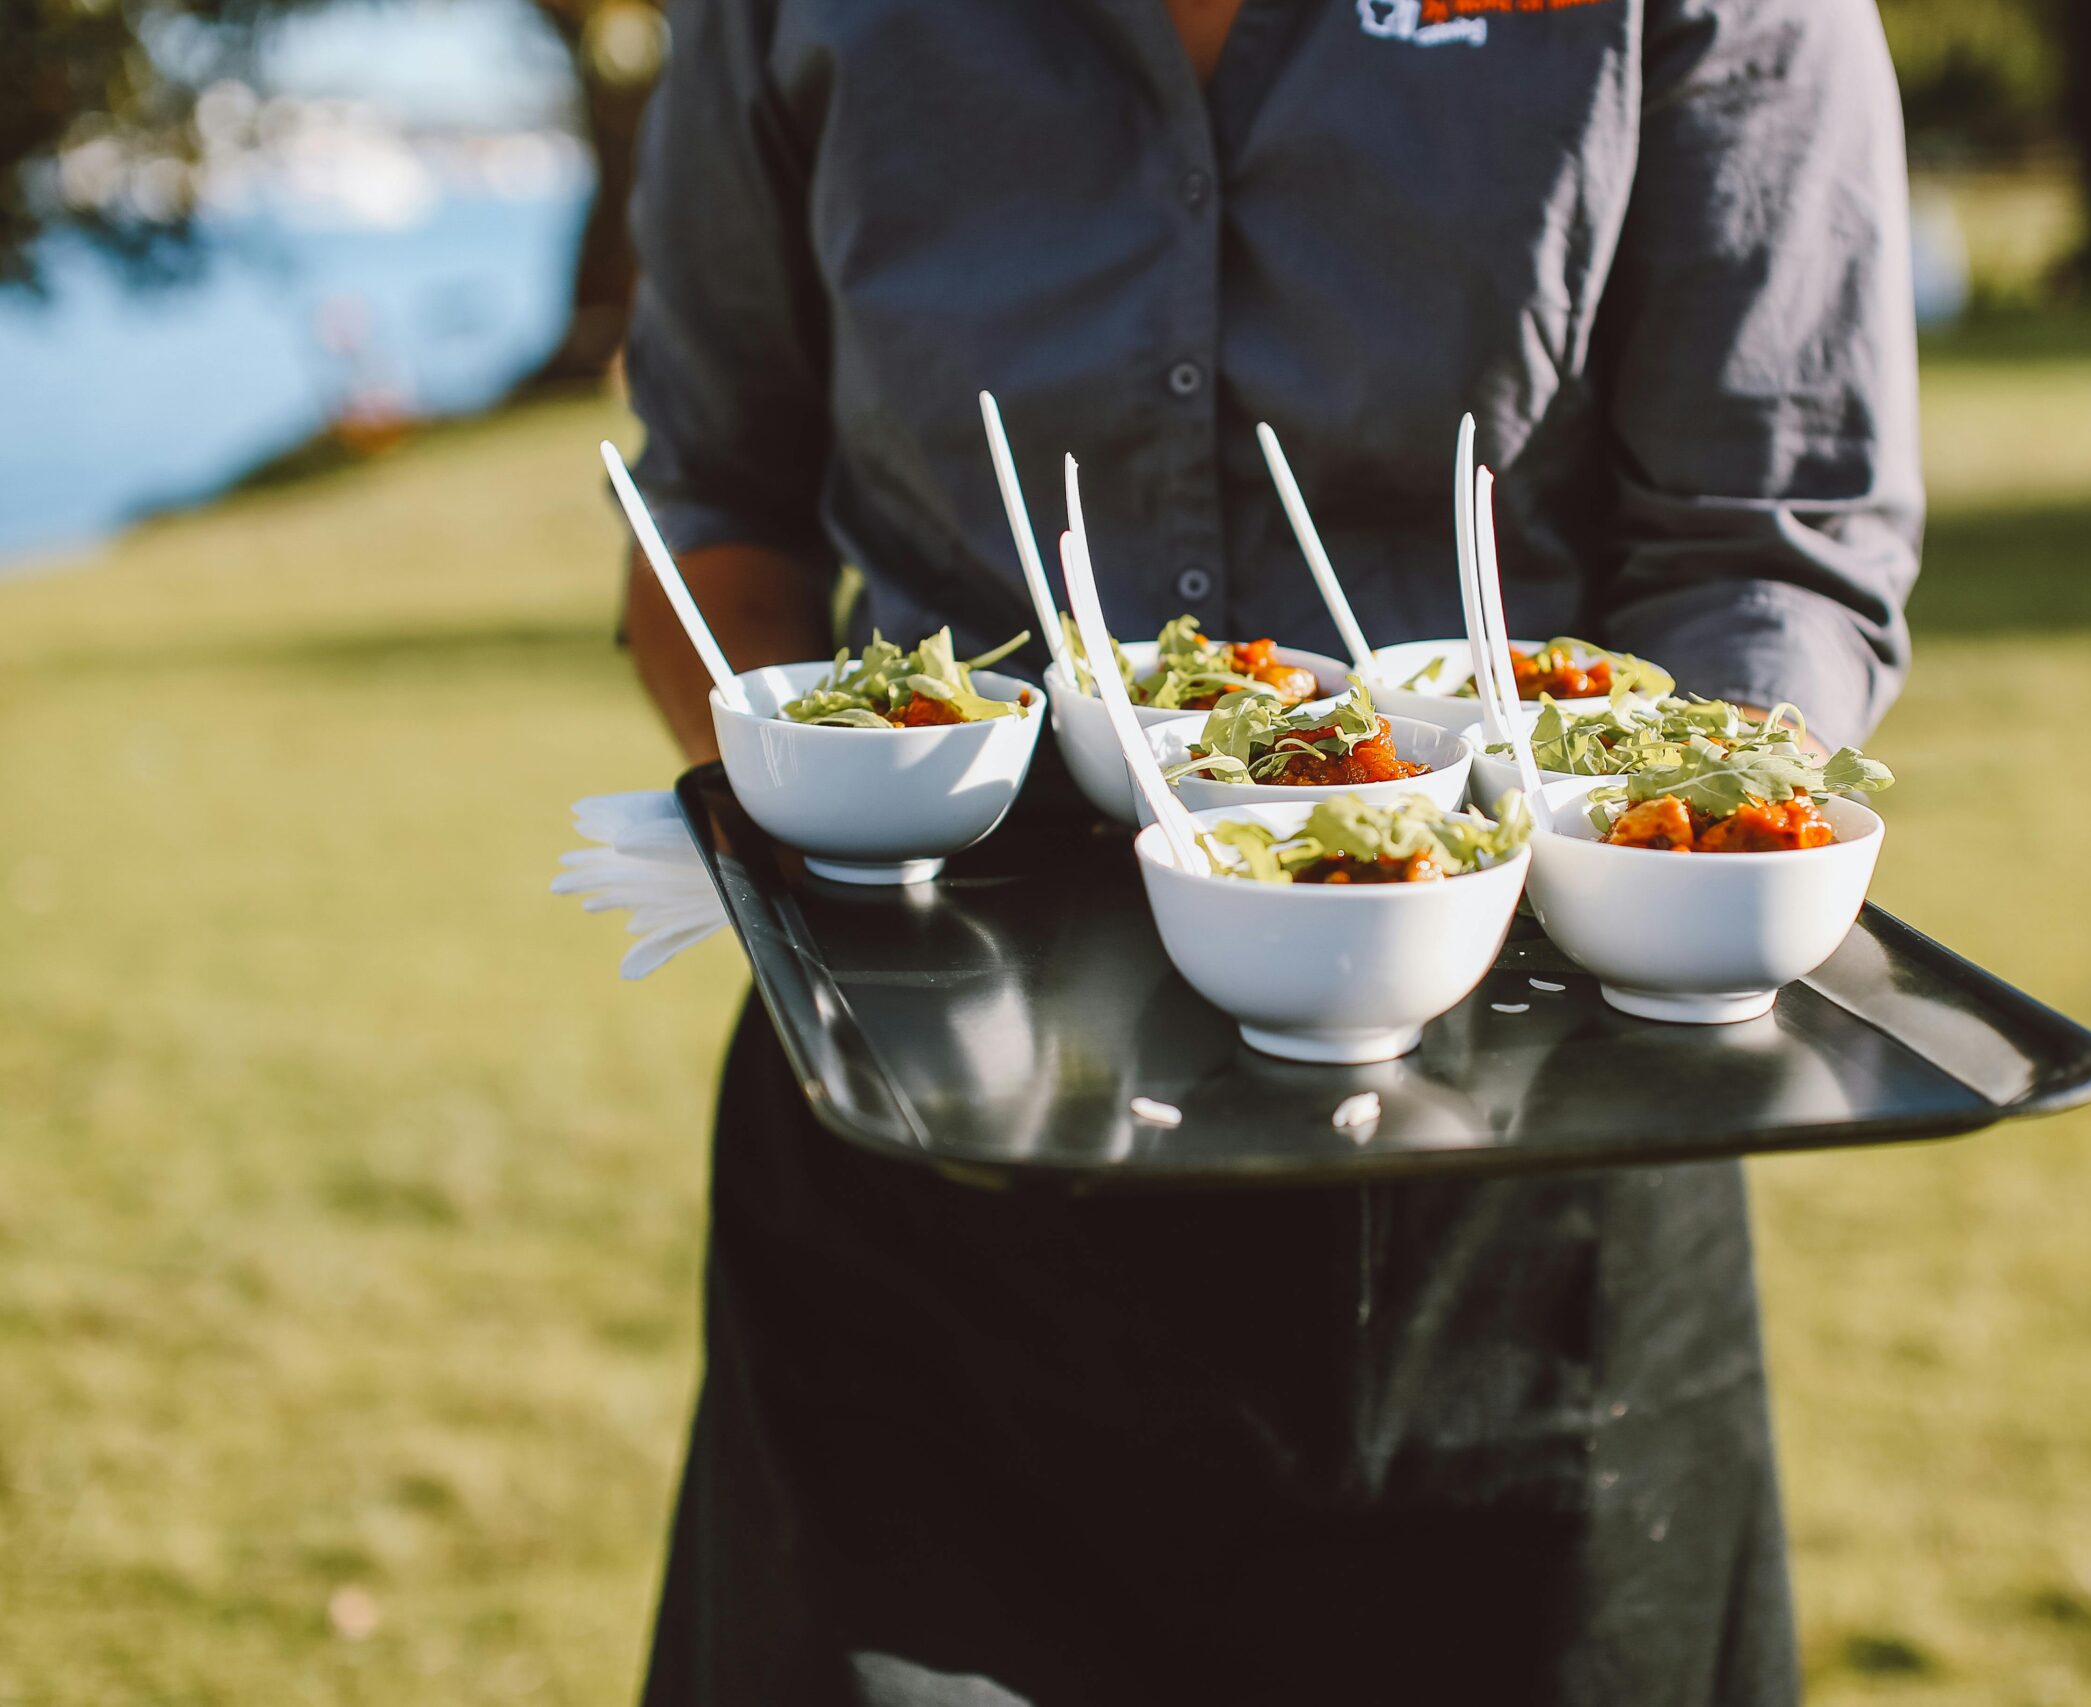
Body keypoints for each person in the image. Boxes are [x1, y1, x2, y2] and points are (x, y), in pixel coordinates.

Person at [621, 2, 1919, 1702]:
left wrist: (1662, 866)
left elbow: (1768, 542)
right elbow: (714, 516)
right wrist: (834, 811)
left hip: (1529, 1199)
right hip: (929, 1202)